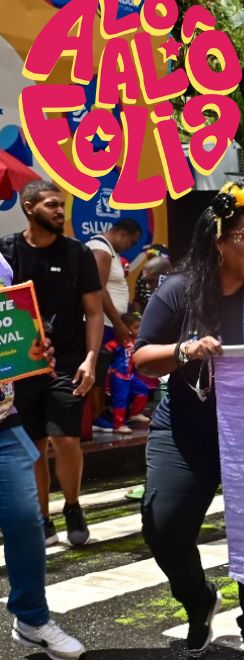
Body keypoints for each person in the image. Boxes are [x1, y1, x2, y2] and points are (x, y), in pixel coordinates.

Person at [133, 183, 244, 660]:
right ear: (219, 242)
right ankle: (198, 599)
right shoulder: (178, 291)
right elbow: (142, 357)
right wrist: (183, 350)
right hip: (186, 430)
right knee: (164, 525)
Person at [1, 181, 104, 548]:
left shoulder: (77, 253)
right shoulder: (7, 251)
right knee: (33, 444)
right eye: (51, 205)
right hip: (23, 367)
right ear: (29, 208)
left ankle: (72, 505)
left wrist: (91, 360)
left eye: (62, 205)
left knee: (65, 439)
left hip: (69, 363)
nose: (60, 211)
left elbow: (94, 312)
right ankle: (43, 517)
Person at [0, 244, 85, 660]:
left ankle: (31, 619)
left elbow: (12, 334)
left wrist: (35, 353)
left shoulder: (0, 265)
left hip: (3, 420)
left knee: (25, 521)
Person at [92, 312, 154, 435]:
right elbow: (105, 352)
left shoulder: (136, 341)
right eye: (136, 327)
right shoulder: (119, 342)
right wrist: (107, 367)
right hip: (119, 376)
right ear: (126, 329)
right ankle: (118, 425)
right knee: (120, 400)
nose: (139, 330)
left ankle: (135, 413)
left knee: (143, 390)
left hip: (130, 376)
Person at [86, 218, 142, 344]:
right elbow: (98, 289)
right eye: (132, 242)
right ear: (123, 234)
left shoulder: (109, 249)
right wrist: (118, 324)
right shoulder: (101, 250)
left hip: (109, 324)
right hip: (103, 325)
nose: (131, 247)